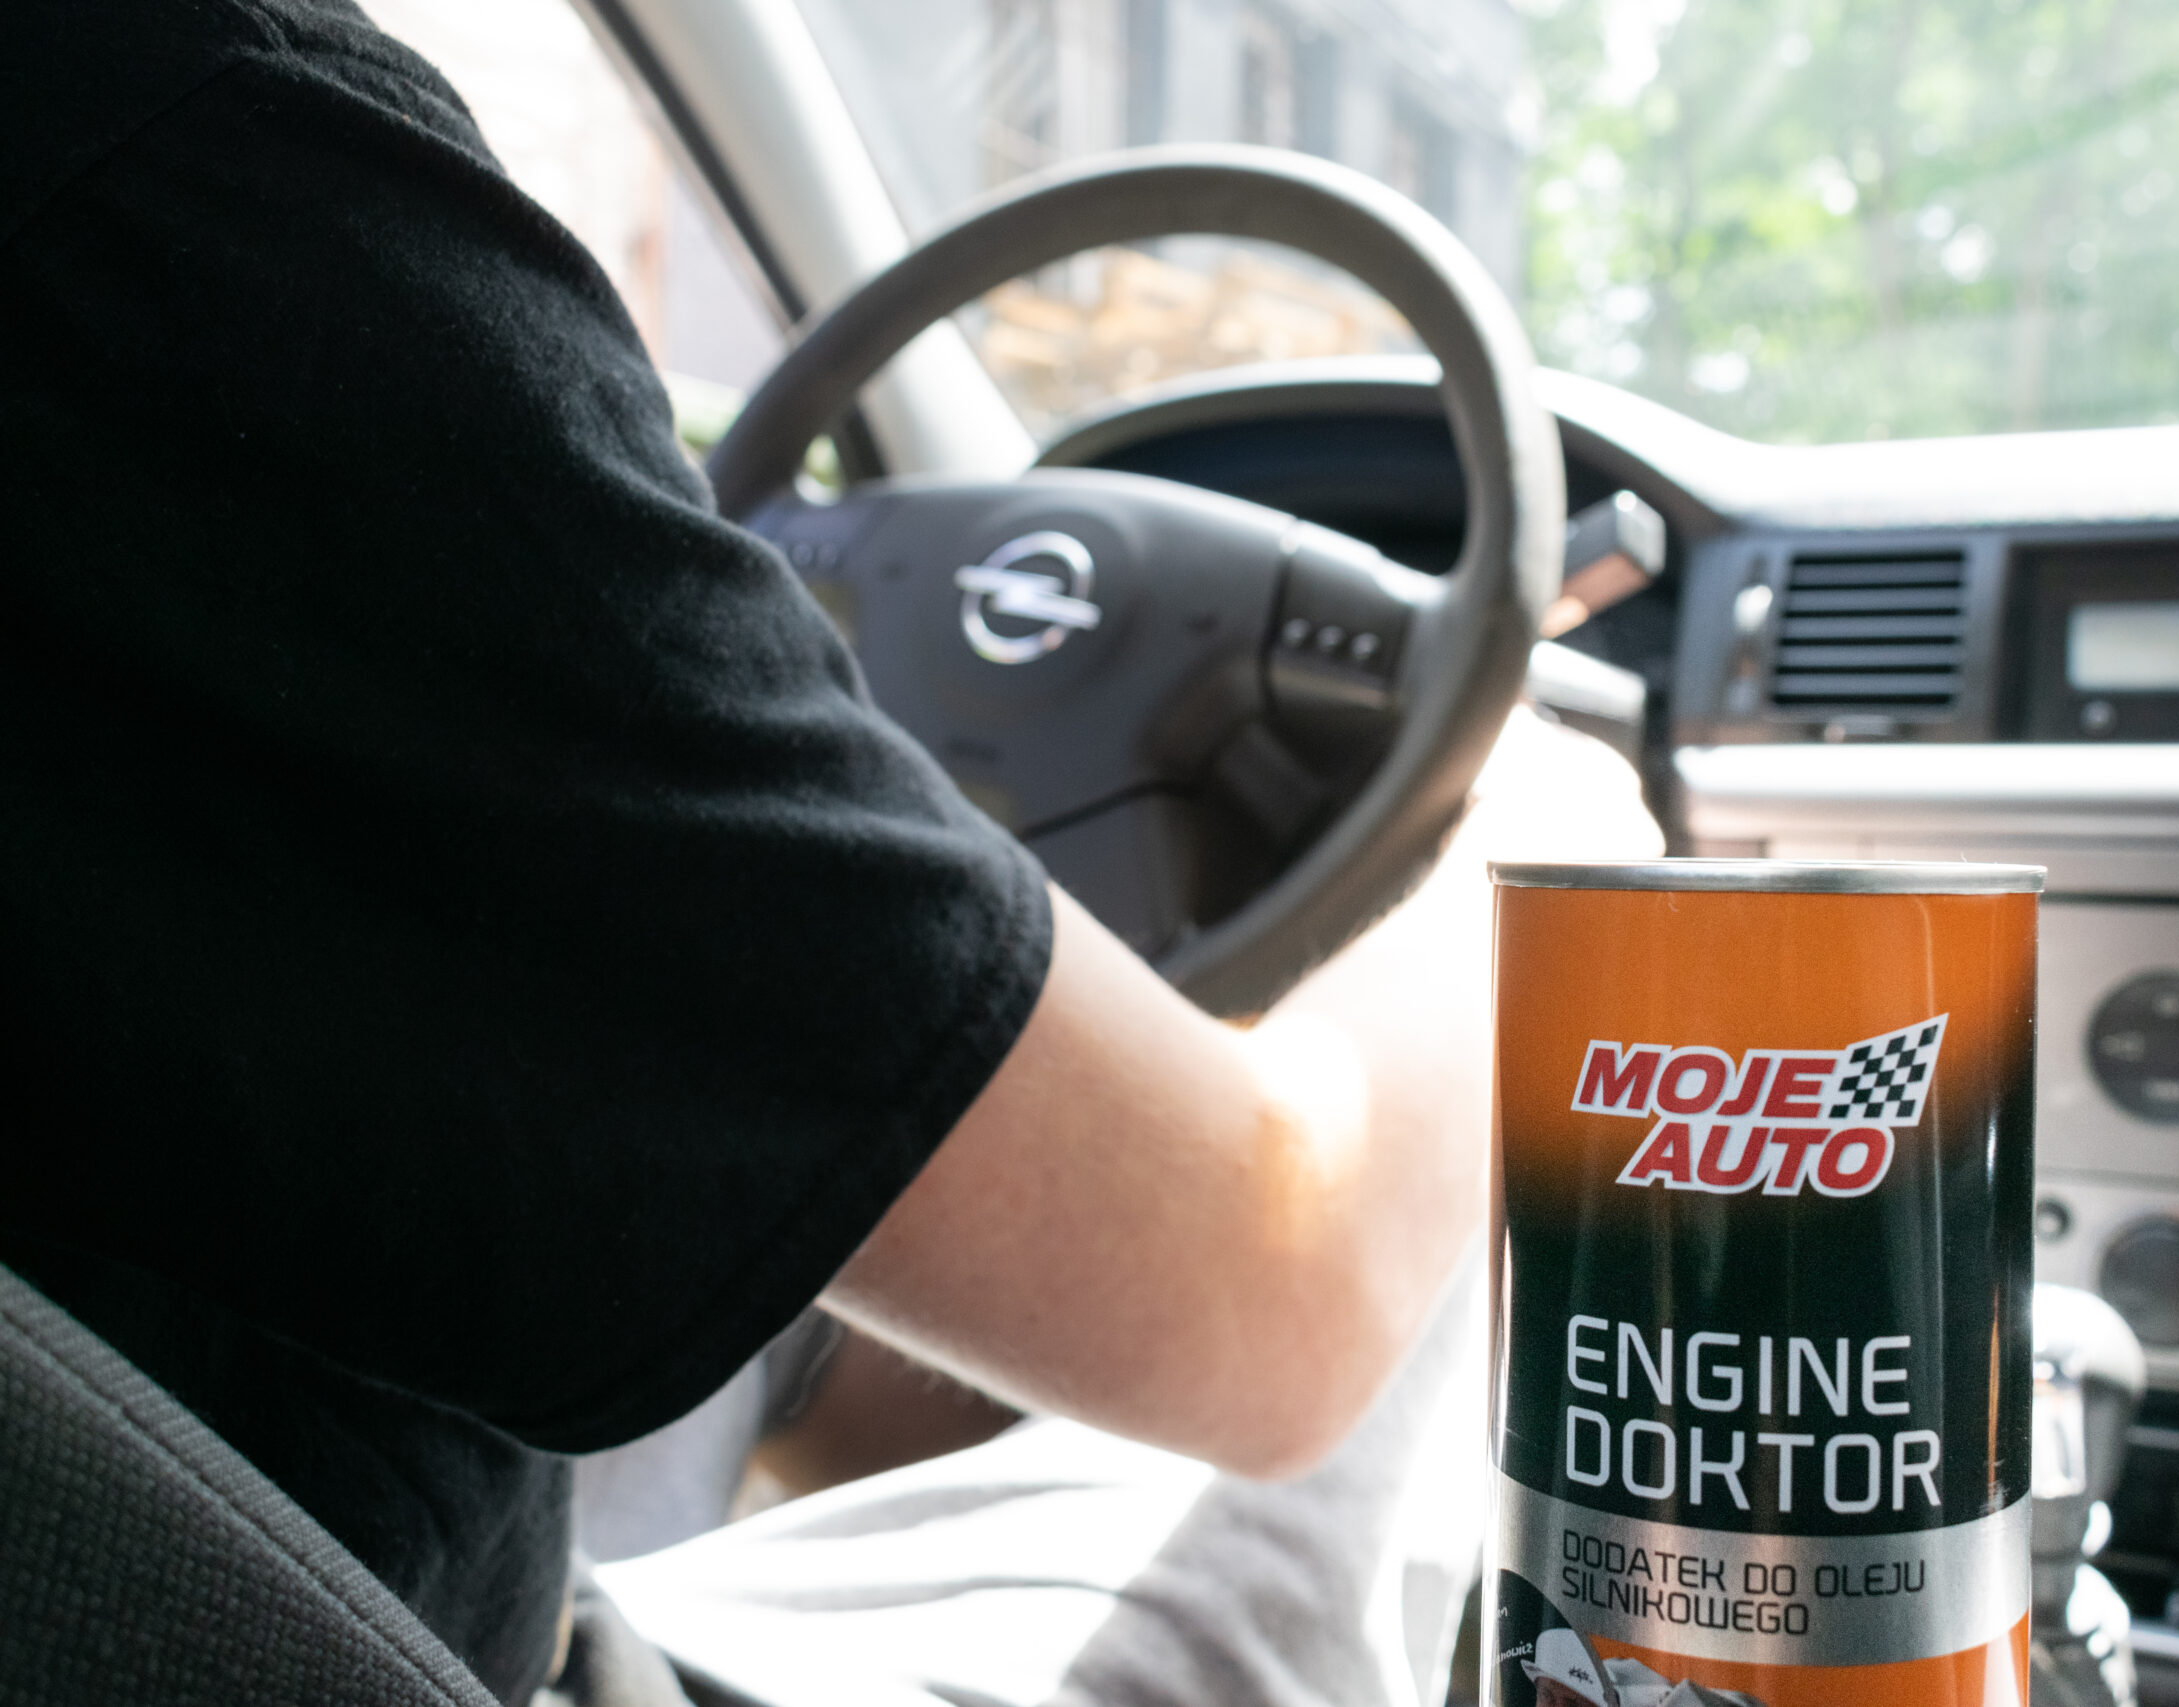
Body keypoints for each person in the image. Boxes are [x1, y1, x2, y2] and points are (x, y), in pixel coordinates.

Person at [0, 3, 1658, 1704]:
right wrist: (1536, 829)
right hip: (395, 1653)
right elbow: (1275, 1291)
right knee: (1389, 1317)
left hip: (237, 1530)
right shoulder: (217, 190)